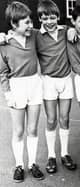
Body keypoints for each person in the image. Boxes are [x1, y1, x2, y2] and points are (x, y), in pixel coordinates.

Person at [0, 1, 44, 182]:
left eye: (30, 21)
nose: (31, 25)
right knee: (18, 131)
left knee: (32, 128)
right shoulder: (4, 43)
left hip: (34, 84)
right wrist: (7, 93)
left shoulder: (34, 35)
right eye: (26, 22)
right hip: (16, 87)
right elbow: (2, 72)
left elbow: (55, 27)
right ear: (13, 24)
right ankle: (19, 165)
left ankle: (32, 163)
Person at [36, 0, 76, 174]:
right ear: (40, 19)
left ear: (58, 17)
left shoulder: (65, 31)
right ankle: (51, 155)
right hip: (49, 81)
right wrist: (4, 36)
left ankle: (65, 153)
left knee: (65, 118)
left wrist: (73, 28)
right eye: (45, 18)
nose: (50, 21)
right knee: (51, 119)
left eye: (53, 17)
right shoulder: (36, 35)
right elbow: (18, 35)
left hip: (66, 80)